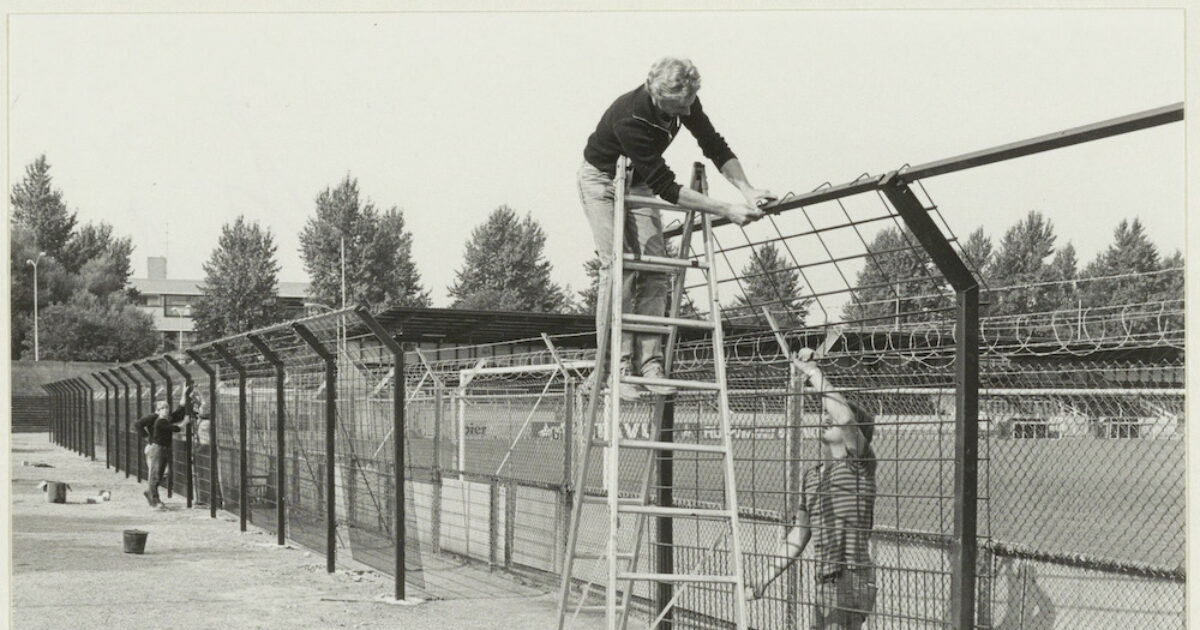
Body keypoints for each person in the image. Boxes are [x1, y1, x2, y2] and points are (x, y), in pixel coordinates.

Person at [579, 56, 773, 400]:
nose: (684, 113)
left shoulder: (685, 102)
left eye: (688, 104)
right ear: (656, 95)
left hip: (637, 183)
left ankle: (650, 364)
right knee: (618, 267)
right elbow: (667, 188)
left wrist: (747, 190)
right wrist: (727, 210)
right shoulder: (631, 117)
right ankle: (617, 369)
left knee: (657, 269)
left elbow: (714, 144)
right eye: (677, 107)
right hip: (603, 181)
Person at [746, 348, 877, 630]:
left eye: (833, 412)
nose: (826, 416)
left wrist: (813, 373)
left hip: (850, 576)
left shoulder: (859, 463)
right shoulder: (812, 476)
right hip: (826, 579)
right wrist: (764, 579)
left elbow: (843, 417)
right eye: (825, 413)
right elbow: (798, 534)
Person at [134, 385, 194, 508]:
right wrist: (148, 438)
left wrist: (183, 394)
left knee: (159, 473)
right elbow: (138, 424)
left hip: (161, 447)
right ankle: (154, 498)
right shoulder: (157, 419)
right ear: (158, 410)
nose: (166, 410)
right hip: (155, 447)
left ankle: (151, 494)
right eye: (163, 408)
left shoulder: (165, 419)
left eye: (167, 407)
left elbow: (178, 413)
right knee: (155, 474)